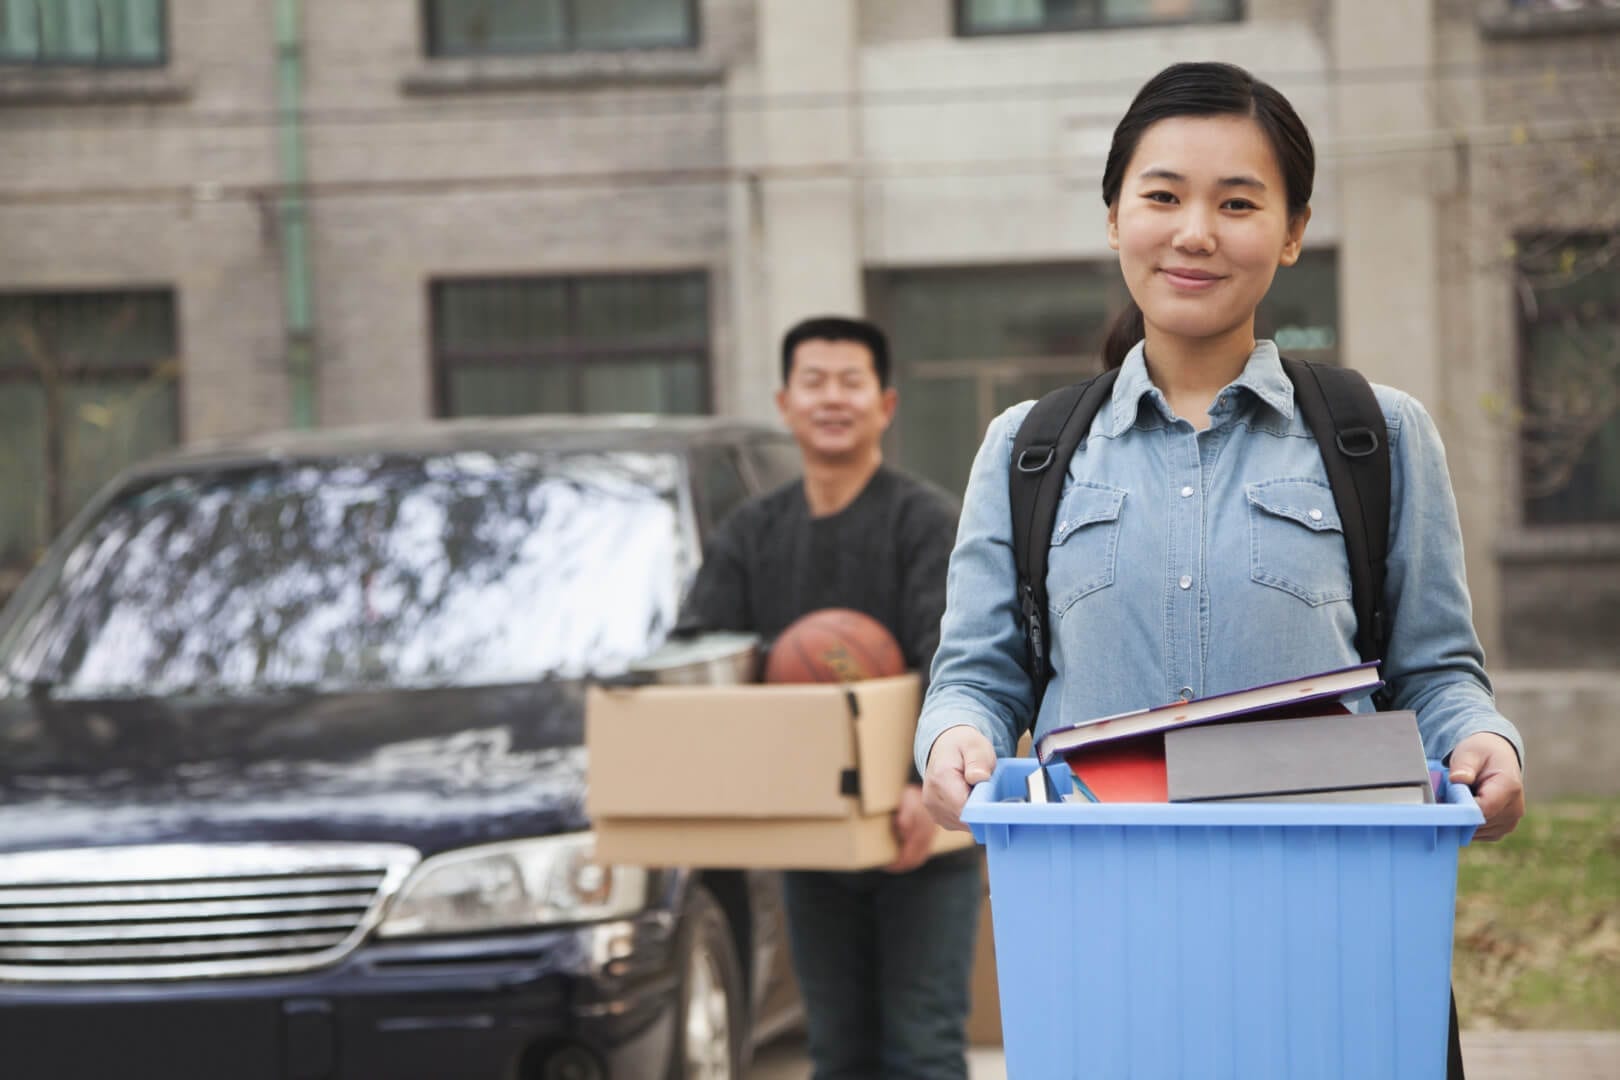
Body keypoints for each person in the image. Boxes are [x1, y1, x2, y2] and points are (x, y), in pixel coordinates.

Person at [913, 62, 1525, 1077]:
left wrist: (1486, 746)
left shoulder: (1378, 435)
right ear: (1114, 216)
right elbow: (978, 673)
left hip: (1333, 940)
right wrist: (956, 742)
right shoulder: (1027, 450)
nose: (1195, 231)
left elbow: (1436, 672)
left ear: (1291, 232)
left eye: (1238, 203)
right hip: (1099, 943)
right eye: (1161, 196)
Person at [679, 315, 981, 1079]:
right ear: (785, 404)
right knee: (838, 1051)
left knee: (921, 1048)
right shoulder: (752, 534)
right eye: (815, 383)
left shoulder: (925, 522)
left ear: (885, 404)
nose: (832, 399)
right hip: (812, 833)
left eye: (851, 383)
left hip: (921, 832)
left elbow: (956, 657)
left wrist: (921, 783)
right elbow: (700, 651)